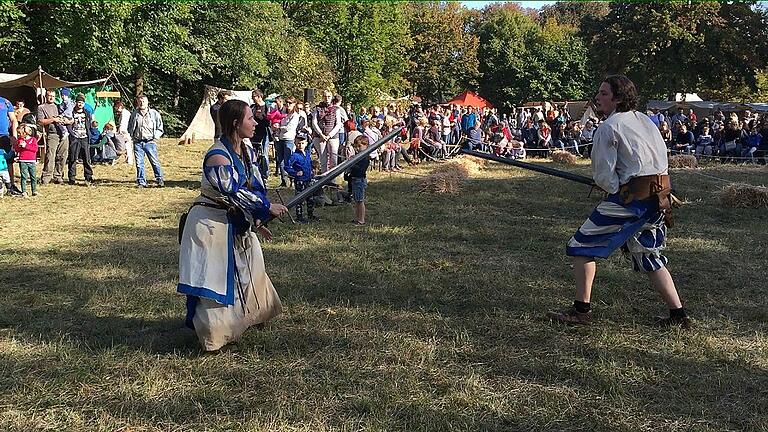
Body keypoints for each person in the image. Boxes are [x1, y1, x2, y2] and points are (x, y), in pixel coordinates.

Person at [548, 75, 691, 329]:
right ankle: (678, 316)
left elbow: (604, 176)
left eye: (604, 93)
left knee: (580, 246)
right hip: (659, 199)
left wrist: (615, 189)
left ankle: (581, 312)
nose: (598, 98)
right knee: (650, 256)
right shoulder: (645, 120)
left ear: (618, 97)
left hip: (632, 201)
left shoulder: (609, 127)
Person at [177, 99, 288, 352]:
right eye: (250, 118)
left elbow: (254, 187)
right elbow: (233, 191)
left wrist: (258, 219)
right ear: (236, 124)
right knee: (216, 278)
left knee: (252, 265)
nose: (255, 122)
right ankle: (214, 336)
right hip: (211, 225)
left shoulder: (246, 151)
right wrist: (265, 208)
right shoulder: (218, 156)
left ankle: (251, 316)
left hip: (235, 220)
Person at [127, 94, 165, 188]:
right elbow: (130, 127)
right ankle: (141, 182)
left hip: (150, 142)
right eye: (140, 101)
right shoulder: (134, 114)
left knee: (154, 161)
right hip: (138, 142)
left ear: (147, 102)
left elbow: (160, 127)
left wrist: (155, 138)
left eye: (143, 101)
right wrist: (132, 136)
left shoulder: (154, 114)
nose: (141, 103)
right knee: (139, 163)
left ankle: (159, 179)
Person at [38, 89, 69, 184]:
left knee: (62, 156)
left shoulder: (58, 106)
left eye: (53, 96)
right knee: (50, 156)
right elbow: (40, 121)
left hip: (63, 133)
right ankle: (46, 177)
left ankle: (58, 176)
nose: (51, 97)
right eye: (49, 96)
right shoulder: (42, 107)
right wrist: (53, 119)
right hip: (52, 134)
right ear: (46, 96)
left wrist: (66, 120)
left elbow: (68, 117)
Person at [284, 134, 316, 223]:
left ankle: (310, 214)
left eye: (302, 143)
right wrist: (295, 173)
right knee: (299, 199)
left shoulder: (307, 153)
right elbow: (287, 167)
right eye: (298, 143)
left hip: (308, 179)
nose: (300, 145)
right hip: (300, 181)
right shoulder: (294, 156)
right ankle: (299, 217)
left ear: (306, 143)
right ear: (295, 143)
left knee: (310, 198)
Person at [67, 93, 94, 185]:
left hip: (84, 138)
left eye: (82, 102)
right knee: (73, 158)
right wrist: (72, 134)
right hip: (75, 138)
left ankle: (88, 177)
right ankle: (72, 178)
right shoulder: (71, 112)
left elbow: (89, 124)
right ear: (76, 103)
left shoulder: (87, 113)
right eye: (78, 102)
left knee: (86, 159)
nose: (80, 104)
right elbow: (68, 124)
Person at [347, 135, 369, 225]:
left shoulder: (365, 157)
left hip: (359, 180)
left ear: (366, 145)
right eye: (356, 146)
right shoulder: (358, 156)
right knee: (356, 200)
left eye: (360, 146)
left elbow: (360, 169)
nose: (358, 148)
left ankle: (361, 219)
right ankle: (357, 218)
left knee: (360, 201)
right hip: (355, 179)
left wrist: (352, 163)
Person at [13, 123, 39, 196]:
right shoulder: (19, 140)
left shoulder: (33, 140)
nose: (18, 135)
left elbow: (35, 149)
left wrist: (26, 146)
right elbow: (17, 150)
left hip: (31, 161)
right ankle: (24, 191)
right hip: (23, 161)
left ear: (25, 133)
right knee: (24, 176)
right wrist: (17, 145)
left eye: (19, 133)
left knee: (33, 176)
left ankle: (34, 191)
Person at [1, 94, 19, 193]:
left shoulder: (6, 102)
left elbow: (13, 120)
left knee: (9, 161)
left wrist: (14, 136)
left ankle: (11, 186)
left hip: (4, 136)